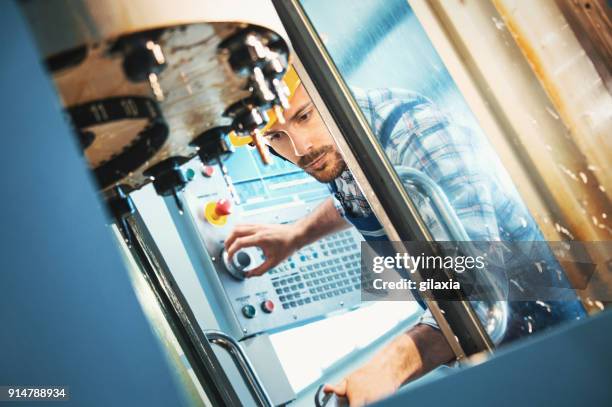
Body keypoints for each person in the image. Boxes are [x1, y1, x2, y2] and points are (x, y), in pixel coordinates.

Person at [224, 70, 585, 406]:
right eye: (275, 136)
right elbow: (356, 194)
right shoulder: (334, 146)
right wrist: (296, 234)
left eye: (304, 116)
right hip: (476, 340)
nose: (300, 149)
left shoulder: (417, 135)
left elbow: (477, 296)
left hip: (548, 327)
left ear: (328, 90)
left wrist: (389, 367)